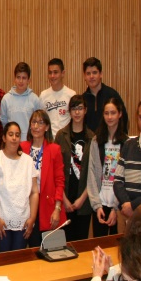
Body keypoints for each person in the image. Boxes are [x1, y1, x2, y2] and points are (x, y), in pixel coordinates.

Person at [0, 122, 39, 252]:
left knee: (18, 264)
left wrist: (32, 218)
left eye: (17, 135)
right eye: (11, 134)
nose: (14, 138)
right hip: (1, 222)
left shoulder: (28, 161)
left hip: (23, 222)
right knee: (3, 263)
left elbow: (34, 192)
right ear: (4, 138)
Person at [21, 110, 65, 246]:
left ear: (47, 127)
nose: (36, 126)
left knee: (51, 250)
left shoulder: (54, 149)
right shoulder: (22, 147)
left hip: (49, 206)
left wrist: (57, 208)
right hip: (26, 206)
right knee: (32, 251)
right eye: (33, 122)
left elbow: (59, 180)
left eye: (40, 123)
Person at [85, 98, 128, 237]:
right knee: (99, 247)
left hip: (119, 205)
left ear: (120, 114)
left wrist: (116, 208)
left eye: (113, 113)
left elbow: (127, 177)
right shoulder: (96, 141)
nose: (109, 117)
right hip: (100, 204)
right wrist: (97, 206)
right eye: (106, 113)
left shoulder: (127, 143)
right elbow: (91, 174)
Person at [54, 95, 94, 241]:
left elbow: (93, 173)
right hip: (64, 198)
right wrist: (63, 199)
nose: (77, 112)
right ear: (69, 112)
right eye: (74, 108)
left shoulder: (92, 138)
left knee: (81, 244)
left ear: (85, 111)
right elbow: (55, 170)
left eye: (80, 108)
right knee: (64, 243)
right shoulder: (60, 136)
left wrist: (82, 199)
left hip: (83, 201)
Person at [0, 61, 43, 140]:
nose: (21, 81)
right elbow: (4, 122)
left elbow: (39, 122)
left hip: (30, 142)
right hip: (12, 142)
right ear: (14, 79)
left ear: (29, 80)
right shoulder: (6, 99)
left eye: (24, 78)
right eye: (18, 77)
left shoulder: (35, 99)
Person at [82, 57, 123, 132]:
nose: (91, 76)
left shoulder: (112, 95)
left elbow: (124, 121)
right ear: (84, 76)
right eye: (88, 73)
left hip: (110, 142)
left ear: (101, 74)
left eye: (94, 72)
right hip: (89, 143)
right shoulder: (82, 99)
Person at [39, 58, 76, 137]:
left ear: (63, 73)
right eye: (50, 73)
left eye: (55, 72)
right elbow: (41, 120)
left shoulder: (71, 95)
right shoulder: (43, 95)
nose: (52, 76)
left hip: (66, 139)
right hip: (49, 140)